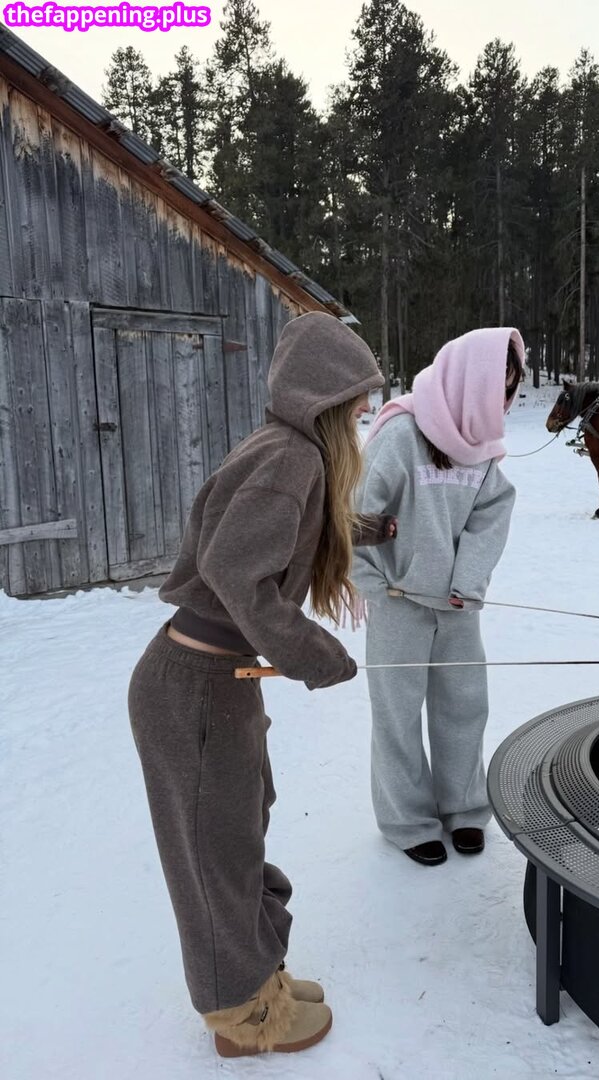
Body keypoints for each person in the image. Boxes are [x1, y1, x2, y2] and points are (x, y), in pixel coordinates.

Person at [128, 312, 396, 1058]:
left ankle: (259, 975)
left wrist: (366, 529)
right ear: (324, 398)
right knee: (215, 854)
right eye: (355, 402)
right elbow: (235, 570)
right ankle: (243, 1018)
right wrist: (316, 654)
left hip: (216, 680)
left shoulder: (288, 451)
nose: (363, 414)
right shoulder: (291, 458)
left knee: (241, 832)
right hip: (193, 688)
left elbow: (287, 529)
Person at [351, 327, 524, 866]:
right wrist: (373, 584)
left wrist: (467, 582)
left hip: (456, 606)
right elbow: (351, 515)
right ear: (468, 381)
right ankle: (408, 821)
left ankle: (465, 810)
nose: (502, 400)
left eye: (510, 388)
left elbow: (490, 515)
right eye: (496, 386)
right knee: (397, 715)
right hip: (398, 601)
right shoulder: (401, 434)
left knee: (464, 706)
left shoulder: (482, 449)